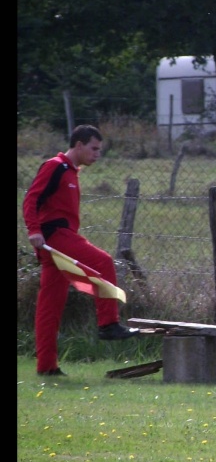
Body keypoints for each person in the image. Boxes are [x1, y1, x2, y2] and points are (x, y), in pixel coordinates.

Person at [23, 124, 139, 377]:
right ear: (78, 145)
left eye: (100, 150)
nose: (97, 154)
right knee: (104, 262)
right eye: (94, 148)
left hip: (57, 242)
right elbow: (31, 198)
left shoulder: (72, 172)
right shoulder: (56, 166)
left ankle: (47, 366)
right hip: (55, 236)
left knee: (50, 306)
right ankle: (108, 324)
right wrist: (34, 230)